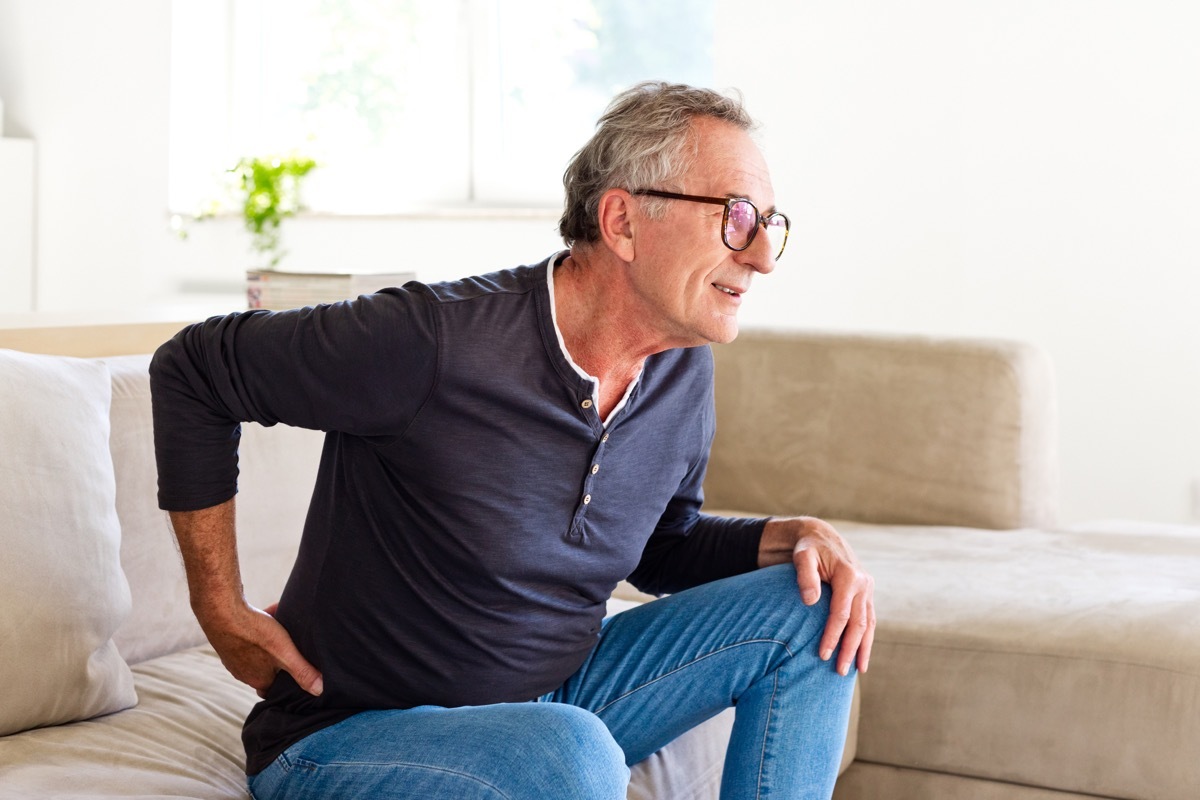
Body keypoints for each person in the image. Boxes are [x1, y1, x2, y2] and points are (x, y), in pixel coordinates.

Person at [151, 81, 875, 800]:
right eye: (736, 216)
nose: (763, 256)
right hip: (353, 734)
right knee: (571, 754)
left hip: (556, 706)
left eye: (769, 223)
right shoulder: (431, 341)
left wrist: (786, 537)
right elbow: (194, 369)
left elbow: (661, 547)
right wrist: (220, 607)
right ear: (623, 221)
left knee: (815, 610)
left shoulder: (682, 371)